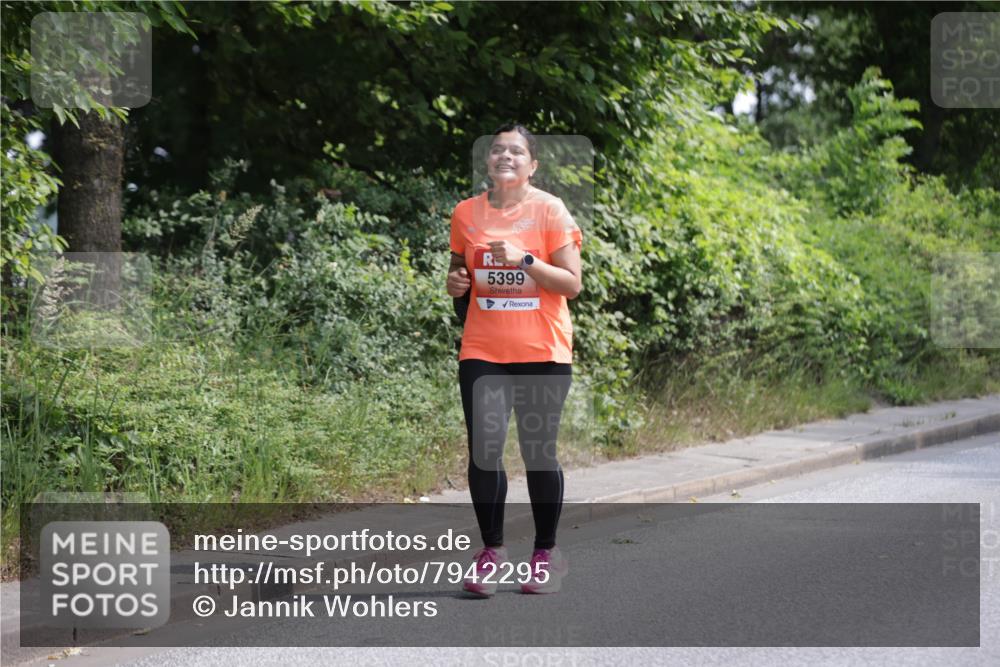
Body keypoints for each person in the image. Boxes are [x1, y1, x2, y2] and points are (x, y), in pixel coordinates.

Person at [446, 123, 583, 596]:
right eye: (497, 149)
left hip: (542, 351)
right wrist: (456, 285)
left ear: (532, 165)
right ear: (488, 161)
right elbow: (459, 274)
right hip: (483, 348)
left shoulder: (550, 210)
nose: (505, 156)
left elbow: (571, 284)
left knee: (537, 452)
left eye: (516, 151)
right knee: (484, 452)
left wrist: (526, 260)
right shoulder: (466, 213)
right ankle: (492, 553)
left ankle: (546, 554)